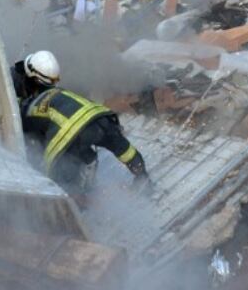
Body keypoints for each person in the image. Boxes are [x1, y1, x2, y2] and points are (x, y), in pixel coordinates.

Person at [10, 50, 148, 201]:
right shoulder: (62, 93)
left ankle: (77, 207)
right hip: (96, 118)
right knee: (120, 147)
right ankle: (143, 179)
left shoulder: (29, 107)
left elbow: (22, 130)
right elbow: (121, 146)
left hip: (67, 137)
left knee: (61, 184)